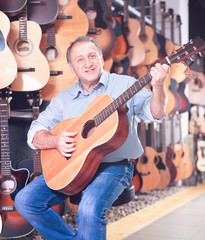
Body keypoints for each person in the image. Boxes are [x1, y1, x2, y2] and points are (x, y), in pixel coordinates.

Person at [15, 36, 170, 240]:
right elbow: (34, 133)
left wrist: (158, 86)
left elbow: (156, 113)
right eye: (79, 59)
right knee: (25, 200)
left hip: (115, 167)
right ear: (71, 67)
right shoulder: (63, 99)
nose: (87, 63)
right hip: (72, 166)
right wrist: (55, 141)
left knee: (88, 209)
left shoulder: (125, 85)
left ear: (101, 59)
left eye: (92, 56)